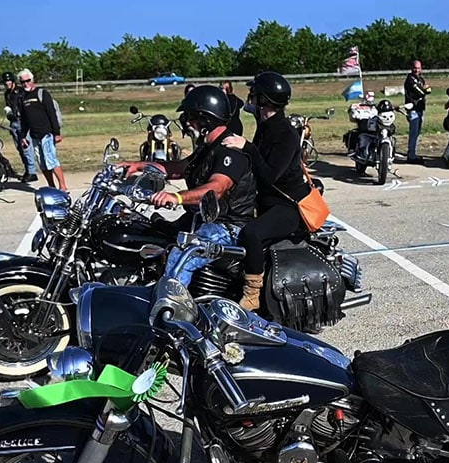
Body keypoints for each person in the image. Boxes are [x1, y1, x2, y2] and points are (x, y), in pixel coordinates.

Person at [119, 85, 257, 287]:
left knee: (181, 257)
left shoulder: (230, 150)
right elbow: (178, 168)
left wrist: (177, 197)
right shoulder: (208, 148)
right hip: (203, 220)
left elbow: (216, 188)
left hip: (229, 226)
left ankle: (171, 309)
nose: (186, 124)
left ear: (205, 120)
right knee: (153, 232)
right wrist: (137, 165)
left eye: (190, 117)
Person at [221, 71, 309, 311]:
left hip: (288, 207)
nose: (250, 97)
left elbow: (270, 175)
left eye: (255, 94)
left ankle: (251, 295)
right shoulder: (266, 124)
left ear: (264, 99)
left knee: (251, 233)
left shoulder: (285, 134)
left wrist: (247, 147)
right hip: (266, 202)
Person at [17, 68, 67, 191]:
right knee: (42, 163)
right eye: (23, 82)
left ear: (32, 80)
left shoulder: (42, 93)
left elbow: (52, 114)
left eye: (28, 81)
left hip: (47, 133)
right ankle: (51, 186)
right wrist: (23, 136)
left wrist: (57, 133)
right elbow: (24, 119)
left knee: (51, 159)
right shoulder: (22, 97)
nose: (26, 84)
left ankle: (63, 186)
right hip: (34, 136)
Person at [2, 72, 37, 182]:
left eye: (9, 81)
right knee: (19, 149)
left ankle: (32, 171)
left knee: (26, 147)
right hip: (13, 123)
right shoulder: (7, 94)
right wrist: (8, 113)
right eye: (5, 81)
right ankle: (27, 169)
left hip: (22, 122)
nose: (7, 83)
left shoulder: (20, 92)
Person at [403, 59, 432, 165]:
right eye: (415, 68)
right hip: (413, 110)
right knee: (413, 133)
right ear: (411, 68)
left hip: (420, 109)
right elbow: (421, 92)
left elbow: (429, 90)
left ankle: (413, 153)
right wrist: (425, 90)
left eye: (418, 68)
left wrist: (426, 89)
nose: (416, 70)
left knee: (417, 133)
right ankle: (411, 156)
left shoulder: (421, 79)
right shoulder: (410, 79)